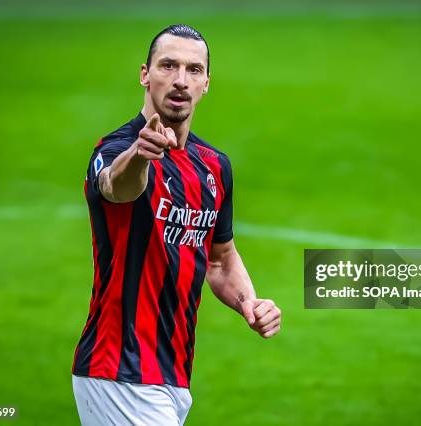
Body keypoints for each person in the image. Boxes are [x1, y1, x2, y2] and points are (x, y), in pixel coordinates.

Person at [71, 24, 282, 425]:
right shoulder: (116, 149)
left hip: (174, 376)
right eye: (168, 66)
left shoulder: (215, 166)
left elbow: (220, 259)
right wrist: (140, 155)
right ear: (145, 75)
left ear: (206, 83)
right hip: (118, 370)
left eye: (194, 70)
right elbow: (116, 187)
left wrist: (248, 302)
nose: (181, 80)